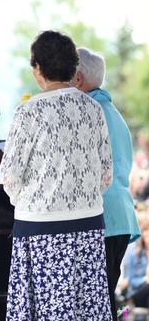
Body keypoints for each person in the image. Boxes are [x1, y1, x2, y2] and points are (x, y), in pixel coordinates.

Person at [0, 30, 113, 321]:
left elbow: (10, 176)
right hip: (88, 225)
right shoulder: (94, 109)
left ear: (37, 69)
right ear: (73, 67)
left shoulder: (29, 112)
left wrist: (27, 201)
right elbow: (106, 175)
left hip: (40, 228)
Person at [72, 47, 141, 320]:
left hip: (102, 214)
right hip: (121, 215)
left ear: (77, 78)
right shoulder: (113, 112)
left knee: (95, 301)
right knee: (105, 297)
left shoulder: (88, 113)